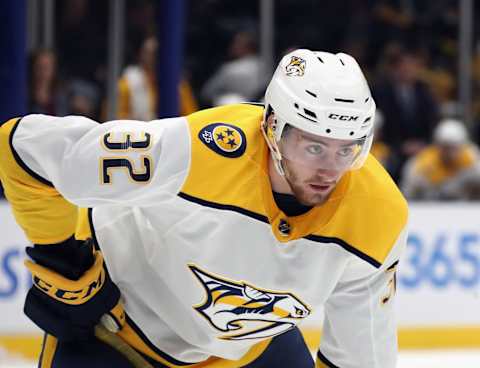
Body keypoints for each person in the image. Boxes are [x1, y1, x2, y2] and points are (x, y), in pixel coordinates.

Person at [0, 49, 408, 368]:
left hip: (249, 353)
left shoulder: (376, 213)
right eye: (314, 146)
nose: (330, 169)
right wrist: (63, 258)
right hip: (118, 336)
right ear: (272, 128)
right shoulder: (196, 153)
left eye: (347, 150)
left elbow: (360, 355)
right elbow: (22, 150)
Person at [117, 35, 198, 120]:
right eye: (150, 53)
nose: (154, 58)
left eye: (158, 53)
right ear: (140, 54)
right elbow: (116, 118)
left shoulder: (178, 84)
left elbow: (190, 118)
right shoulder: (128, 82)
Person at [401, 119, 480, 200]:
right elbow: (407, 193)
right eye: (446, 147)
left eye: (454, 147)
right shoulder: (421, 164)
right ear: (437, 146)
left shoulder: (472, 160)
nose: (450, 153)